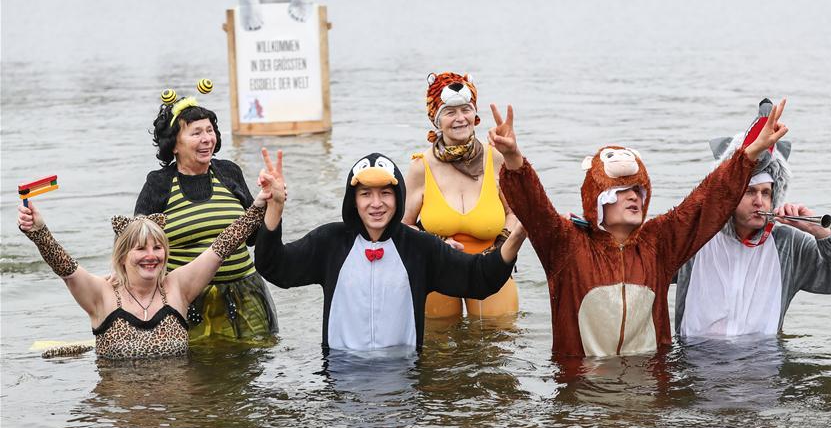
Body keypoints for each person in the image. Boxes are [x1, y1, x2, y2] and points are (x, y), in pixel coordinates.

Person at [490, 99, 789, 358]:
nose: (633, 196)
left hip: (648, 393)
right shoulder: (567, 244)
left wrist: (748, 155)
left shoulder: (657, 243)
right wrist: (515, 159)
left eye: (638, 190)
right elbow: (535, 209)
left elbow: (705, 202)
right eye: (621, 190)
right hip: (582, 392)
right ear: (598, 199)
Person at [253, 149, 527, 352]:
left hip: (403, 375)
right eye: (365, 194)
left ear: (399, 198)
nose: (376, 204)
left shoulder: (420, 247)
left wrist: (519, 234)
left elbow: (478, 278)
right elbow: (275, 267)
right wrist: (275, 207)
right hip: (341, 371)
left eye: (385, 193)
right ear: (353, 200)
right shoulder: (330, 242)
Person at [17, 172, 270, 360]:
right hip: (122, 420)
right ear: (123, 255)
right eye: (140, 248)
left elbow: (222, 246)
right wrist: (39, 231)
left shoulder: (177, 287)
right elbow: (66, 268)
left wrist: (259, 204)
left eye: (157, 248)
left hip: (176, 417)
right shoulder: (102, 295)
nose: (151, 256)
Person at [674, 99, 831, 338]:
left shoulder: (788, 244)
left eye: (766, 193)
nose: (760, 201)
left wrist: (819, 232)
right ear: (729, 194)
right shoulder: (696, 236)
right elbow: (641, 263)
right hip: (695, 361)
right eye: (749, 191)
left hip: (763, 363)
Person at [135, 86, 278, 343]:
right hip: (185, 299)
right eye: (196, 133)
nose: (207, 139)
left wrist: (273, 202)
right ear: (175, 144)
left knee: (251, 370)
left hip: (244, 294)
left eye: (210, 131)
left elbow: (255, 237)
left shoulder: (229, 173)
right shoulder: (159, 183)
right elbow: (134, 246)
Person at [403, 72, 520, 319]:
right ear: (436, 119)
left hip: (492, 267)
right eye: (449, 112)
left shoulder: (497, 158)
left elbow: (516, 213)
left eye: (466, 109)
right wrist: (436, 244)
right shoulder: (420, 167)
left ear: (475, 115)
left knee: (500, 340)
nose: (460, 118)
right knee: (439, 348)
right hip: (437, 269)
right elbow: (402, 226)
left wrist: (499, 249)